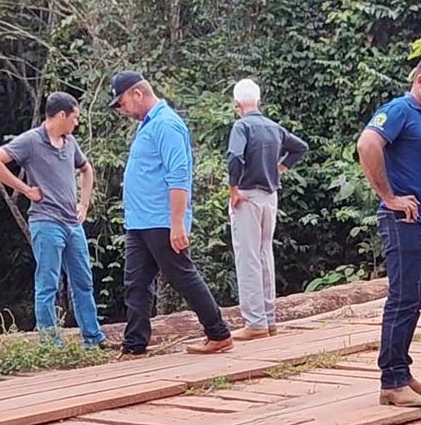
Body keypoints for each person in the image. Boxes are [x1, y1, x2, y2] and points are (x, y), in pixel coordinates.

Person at [356, 52, 421, 408]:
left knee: (415, 300)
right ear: (420, 81)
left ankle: (402, 369)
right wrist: (389, 196)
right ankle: (391, 381)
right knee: (402, 298)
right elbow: (367, 144)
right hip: (404, 222)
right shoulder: (400, 110)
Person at [109, 71, 233, 356]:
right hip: (139, 221)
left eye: (122, 102)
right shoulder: (147, 125)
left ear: (137, 93)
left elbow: (179, 175)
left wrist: (177, 223)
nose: (122, 109)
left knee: (181, 276)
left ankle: (218, 333)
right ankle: (134, 345)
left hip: (160, 219)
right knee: (136, 284)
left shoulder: (166, 124)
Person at [0, 92, 109, 349]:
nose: (76, 123)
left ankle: (92, 338)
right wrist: (25, 189)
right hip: (46, 221)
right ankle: (51, 344)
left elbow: (86, 169)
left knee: (83, 281)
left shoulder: (70, 142)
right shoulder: (31, 140)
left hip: (72, 223)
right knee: (47, 283)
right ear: (61, 115)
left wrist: (84, 203)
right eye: (74, 118)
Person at [226, 79, 308, 340]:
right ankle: (268, 319)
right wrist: (280, 167)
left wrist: (233, 188)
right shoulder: (273, 127)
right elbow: (300, 147)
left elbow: (235, 156)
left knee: (247, 257)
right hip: (269, 196)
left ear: (237, 104)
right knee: (264, 254)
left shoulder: (242, 126)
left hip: (247, 195)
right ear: (258, 101)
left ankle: (255, 321)